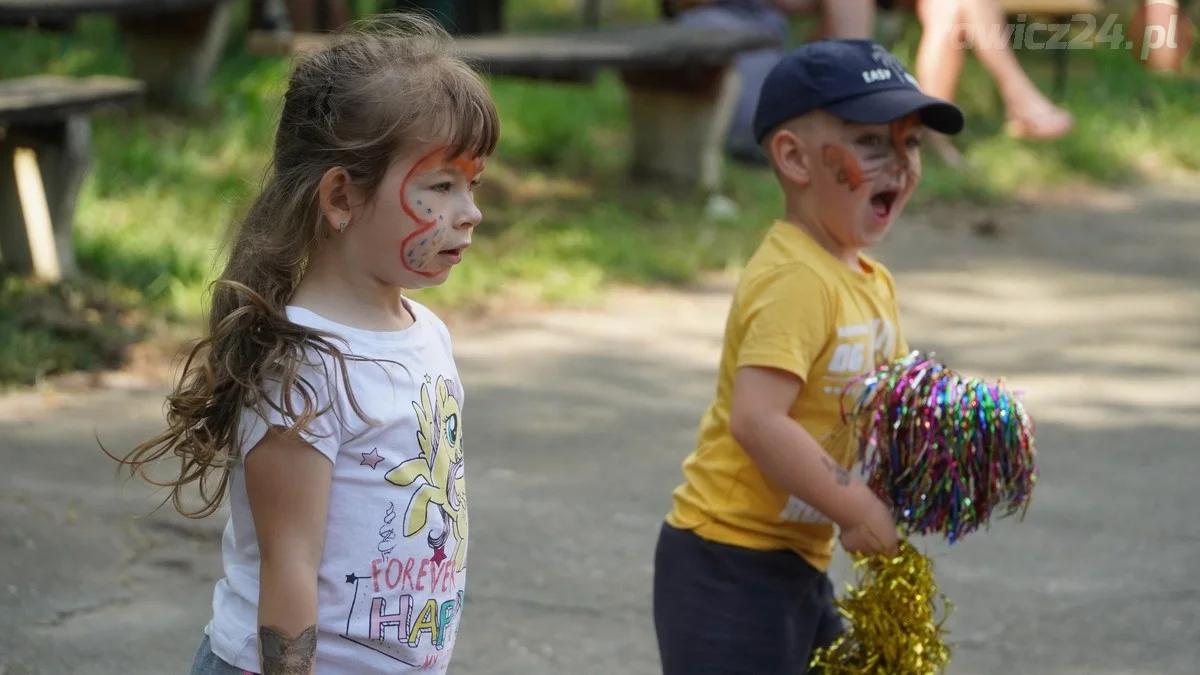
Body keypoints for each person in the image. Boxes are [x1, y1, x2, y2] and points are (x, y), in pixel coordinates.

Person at [107, 14, 498, 675]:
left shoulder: (425, 332)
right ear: (342, 196)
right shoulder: (303, 370)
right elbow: (290, 567)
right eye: (441, 185)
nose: (471, 211)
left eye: (473, 185)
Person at [651, 38, 965, 675]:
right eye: (872, 143)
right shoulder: (796, 277)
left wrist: (958, 442)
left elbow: (890, 412)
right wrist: (855, 506)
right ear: (794, 157)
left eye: (910, 144)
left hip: (798, 560)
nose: (900, 165)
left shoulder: (871, 282)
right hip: (727, 564)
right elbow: (758, 420)